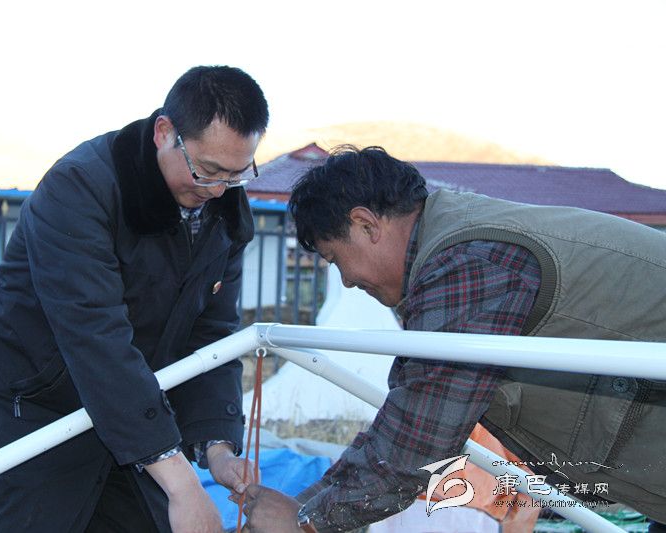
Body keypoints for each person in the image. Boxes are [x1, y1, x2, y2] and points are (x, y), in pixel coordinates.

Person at [242, 146, 666, 532]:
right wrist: (304, 505)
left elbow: (418, 443)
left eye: (336, 259)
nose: (347, 281)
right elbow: (403, 417)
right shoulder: (449, 251)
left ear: (365, 224)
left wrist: (305, 522)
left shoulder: (466, 263)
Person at [0, 65, 268, 532]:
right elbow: (95, 339)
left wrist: (218, 448)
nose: (216, 189)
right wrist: (182, 484)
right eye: (206, 170)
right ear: (164, 133)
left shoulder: (223, 210)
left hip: (139, 416)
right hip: (41, 407)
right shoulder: (79, 188)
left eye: (236, 175)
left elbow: (211, 334)